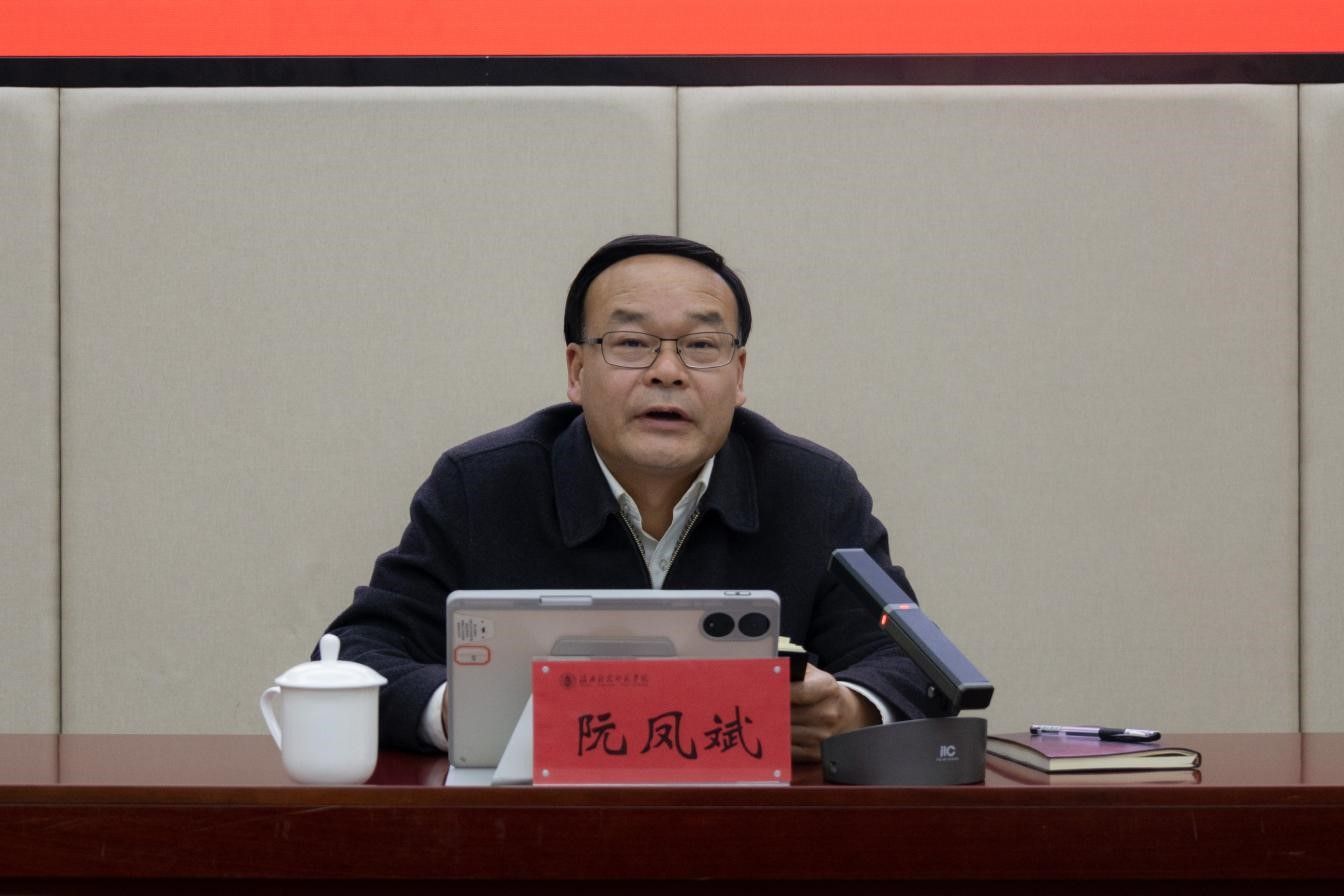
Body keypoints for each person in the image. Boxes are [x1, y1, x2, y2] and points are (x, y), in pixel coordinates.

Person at [321, 234, 944, 762]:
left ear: (739, 375)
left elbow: (915, 659)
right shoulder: (482, 486)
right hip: (535, 830)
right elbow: (355, 654)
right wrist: (457, 710)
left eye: (702, 346)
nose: (667, 371)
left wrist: (854, 710)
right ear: (576, 371)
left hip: (750, 835)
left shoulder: (814, 490)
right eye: (630, 343)